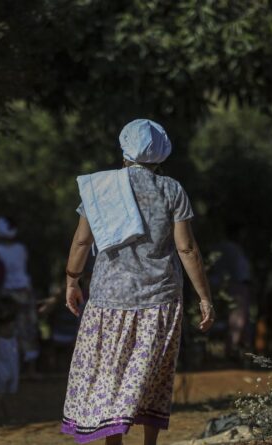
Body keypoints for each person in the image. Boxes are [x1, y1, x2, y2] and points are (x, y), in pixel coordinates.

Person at [60, 119, 215, 445]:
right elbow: (186, 248)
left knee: (110, 374)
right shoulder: (172, 189)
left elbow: (81, 242)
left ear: (124, 150)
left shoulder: (99, 188)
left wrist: (72, 281)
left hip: (108, 301)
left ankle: (112, 442)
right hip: (158, 301)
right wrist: (205, 297)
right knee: (152, 374)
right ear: (161, 155)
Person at [0, 217, 41, 377]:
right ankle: (30, 370)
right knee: (27, 330)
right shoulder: (21, 249)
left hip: (3, 295)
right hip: (23, 293)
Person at [207, 224, 253, 359]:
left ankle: (234, 346)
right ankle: (234, 345)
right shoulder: (236, 250)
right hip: (234, 287)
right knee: (239, 314)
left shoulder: (218, 248)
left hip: (216, 289)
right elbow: (243, 274)